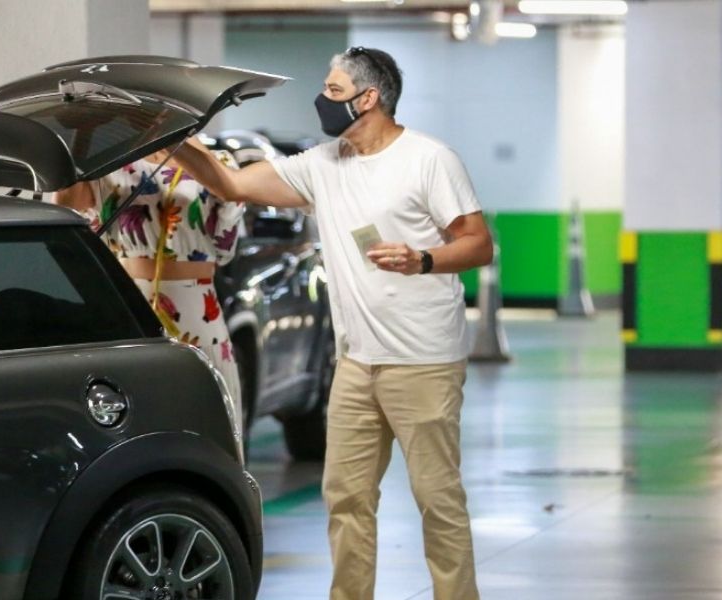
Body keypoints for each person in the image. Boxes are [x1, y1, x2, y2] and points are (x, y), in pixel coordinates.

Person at [172, 47, 492, 600]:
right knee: (345, 499)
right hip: (355, 366)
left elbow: (478, 243)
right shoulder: (323, 164)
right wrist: (174, 140)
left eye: (335, 89)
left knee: (437, 499)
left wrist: (423, 259)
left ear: (369, 98)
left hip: (423, 364)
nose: (324, 98)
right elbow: (232, 185)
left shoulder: (429, 160)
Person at [52, 150, 245, 432]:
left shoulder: (217, 162)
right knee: (136, 420)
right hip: (129, 305)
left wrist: (188, 143)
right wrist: (81, 140)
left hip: (196, 310)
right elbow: (68, 208)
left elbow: (225, 246)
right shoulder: (111, 162)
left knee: (208, 423)